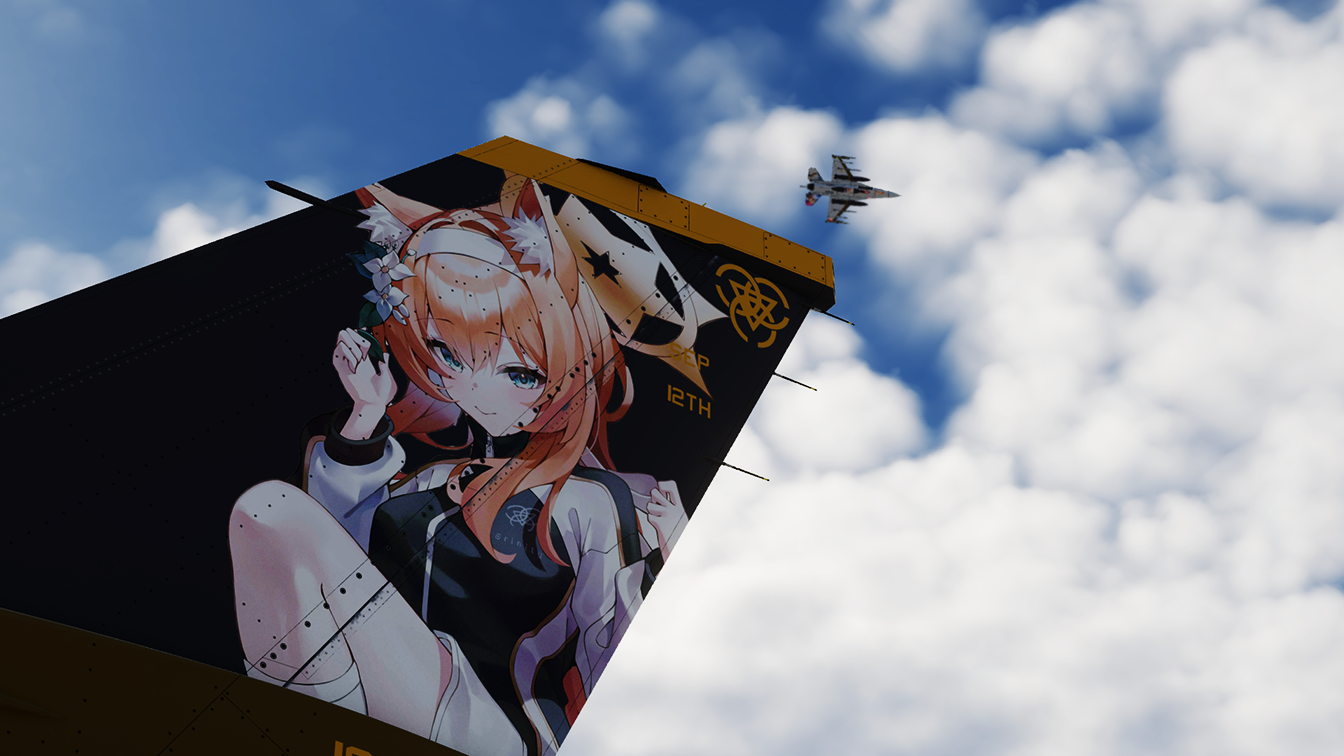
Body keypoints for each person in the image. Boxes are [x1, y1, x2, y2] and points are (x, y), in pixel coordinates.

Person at [229, 177, 694, 756]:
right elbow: (332, 563)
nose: (475, 388)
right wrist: (366, 415)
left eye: (520, 373)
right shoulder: (430, 481)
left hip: (492, 730)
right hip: (377, 689)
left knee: (272, 508)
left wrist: (670, 569)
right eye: (447, 353)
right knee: (268, 516)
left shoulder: (588, 505)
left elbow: (611, 655)